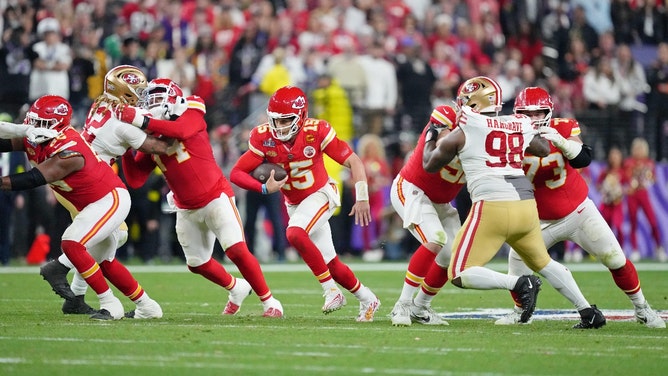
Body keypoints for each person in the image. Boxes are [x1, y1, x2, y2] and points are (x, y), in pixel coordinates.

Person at [423, 76, 605, 328]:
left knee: (458, 272)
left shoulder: (464, 129)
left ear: (474, 103)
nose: (461, 105)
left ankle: (518, 283)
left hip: (493, 204)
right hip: (526, 204)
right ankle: (587, 311)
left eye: (465, 101)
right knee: (543, 262)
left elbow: (429, 164)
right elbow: (542, 149)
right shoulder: (515, 122)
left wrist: (431, 134)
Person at [495, 86, 664, 328]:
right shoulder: (508, 135)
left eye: (538, 113)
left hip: (578, 212)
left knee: (615, 258)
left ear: (549, 112)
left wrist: (563, 143)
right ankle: (521, 311)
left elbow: (583, 158)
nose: (533, 119)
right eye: (527, 113)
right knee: (516, 263)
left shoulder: (562, 127)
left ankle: (642, 308)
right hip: (538, 220)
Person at [116, 78, 283, 318]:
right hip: (186, 208)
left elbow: (181, 131)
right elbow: (135, 180)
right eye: (149, 99)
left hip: (216, 196)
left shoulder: (191, 109)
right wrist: (127, 146)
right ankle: (236, 288)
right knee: (197, 264)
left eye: (158, 96)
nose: (152, 103)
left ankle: (270, 302)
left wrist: (139, 121)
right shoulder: (153, 138)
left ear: (174, 98)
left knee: (236, 250)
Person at [0, 95, 161, 320]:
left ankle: (110, 304)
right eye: (32, 121)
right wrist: (20, 130)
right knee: (104, 262)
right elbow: (6, 142)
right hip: (91, 204)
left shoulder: (69, 149)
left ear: (57, 124)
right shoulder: (38, 136)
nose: (35, 127)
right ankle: (148, 306)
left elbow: (34, 178)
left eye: (41, 123)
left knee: (72, 243)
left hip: (109, 199)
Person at [229, 85, 381, 322]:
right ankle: (368, 298)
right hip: (296, 204)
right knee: (331, 264)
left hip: (321, 193)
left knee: (295, 233)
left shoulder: (316, 131)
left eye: (285, 120)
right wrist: (262, 187)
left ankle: (331, 291)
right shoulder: (264, 137)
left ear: (300, 116)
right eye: (275, 121)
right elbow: (237, 172)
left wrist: (362, 197)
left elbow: (354, 161)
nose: (279, 127)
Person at [38, 65, 172, 317]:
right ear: (124, 90)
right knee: (112, 237)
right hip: (87, 180)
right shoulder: (123, 122)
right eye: (137, 91)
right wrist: (178, 126)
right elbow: (157, 145)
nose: (141, 96)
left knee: (99, 242)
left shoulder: (101, 103)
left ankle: (78, 296)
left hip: (80, 174)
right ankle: (64, 270)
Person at [388, 104, 464, 326]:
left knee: (452, 256)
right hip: (413, 189)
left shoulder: (487, 134)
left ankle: (420, 308)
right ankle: (402, 304)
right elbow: (440, 144)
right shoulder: (447, 117)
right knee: (435, 238)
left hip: (441, 201)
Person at [623, 137, 666, 262]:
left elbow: (653, 179)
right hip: (632, 196)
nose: (638, 151)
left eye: (641, 148)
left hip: (643, 194)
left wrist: (648, 179)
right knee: (633, 222)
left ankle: (659, 248)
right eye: (636, 148)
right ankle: (635, 250)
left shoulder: (649, 162)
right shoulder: (628, 162)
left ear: (645, 150)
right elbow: (626, 178)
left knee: (652, 221)